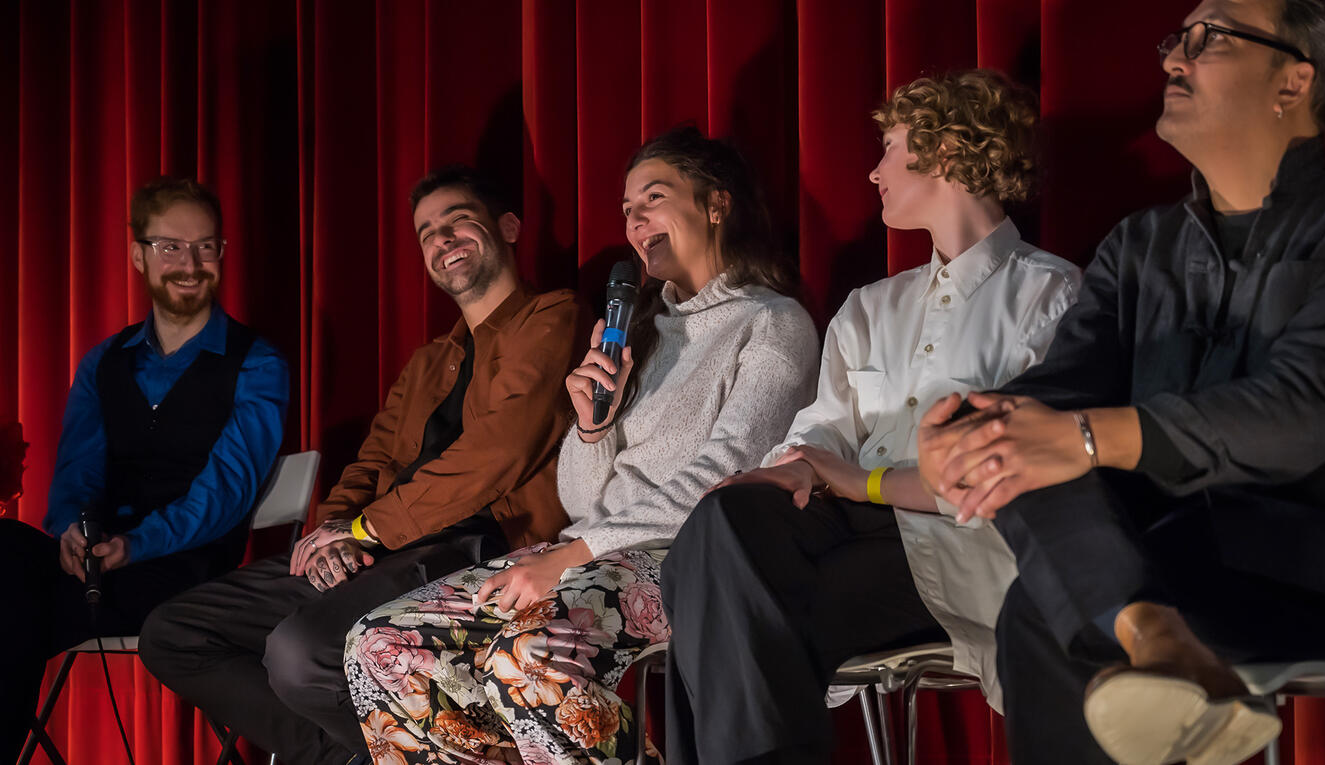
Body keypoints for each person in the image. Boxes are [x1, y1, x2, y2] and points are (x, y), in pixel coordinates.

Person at [916, 1, 1325, 763]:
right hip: (1163, 557)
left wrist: (1090, 437)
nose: (1171, 60)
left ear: (1293, 81)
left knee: (1055, 603)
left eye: (1208, 38)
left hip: (1317, 554)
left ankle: (1152, 632)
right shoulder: (1138, 246)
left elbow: (1306, 412)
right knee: (1027, 507)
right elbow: (1050, 396)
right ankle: (1156, 635)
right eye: (1175, 41)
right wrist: (963, 437)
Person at [342, 126, 819, 764]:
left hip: (689, 561)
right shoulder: (639, 334)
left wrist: (572, 554)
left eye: (653, 198)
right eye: (626, 210)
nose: (635, 220)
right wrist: (593, 425)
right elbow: (584, 496)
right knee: (377, 644)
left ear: (716, 203)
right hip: (591, 551)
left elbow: (720, 483)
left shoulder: (772, 322)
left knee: (527, 656)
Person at [661, 70, 1082, 764]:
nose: (873, 168)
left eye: (889, 146)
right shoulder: (869, 306)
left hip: (961, 538)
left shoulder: (1048, 293)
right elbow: (823, 429)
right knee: (718, 526)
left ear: (946, 152)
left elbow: (1015, 465)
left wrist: (866, 483)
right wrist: (791, 467)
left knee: (727, 613)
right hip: (843, 523)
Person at [140, 166, 587, 765]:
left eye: (458, 219)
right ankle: (344, 756)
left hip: (477, 545)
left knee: (302, 654)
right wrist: (334, 532)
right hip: (380, 543)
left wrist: (364, 531)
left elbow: (500, 451)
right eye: (427, 232)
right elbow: (373, 457)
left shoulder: (553, 316)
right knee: (174, 633)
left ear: (507, 226)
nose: (442, 238)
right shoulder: (430, 361)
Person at [0, 177, 290, 761]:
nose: (189, 263)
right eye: (170, 247)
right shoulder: (103, 361)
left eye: (205, 246)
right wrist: (71, 532)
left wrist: (136, 544)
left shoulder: (258, 363)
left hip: (185, 568)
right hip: (96, 559)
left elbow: (227, 491)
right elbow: (77, 471)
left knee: (13, 609)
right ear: (138, 254)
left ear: (223, 253)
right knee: (3, 549)